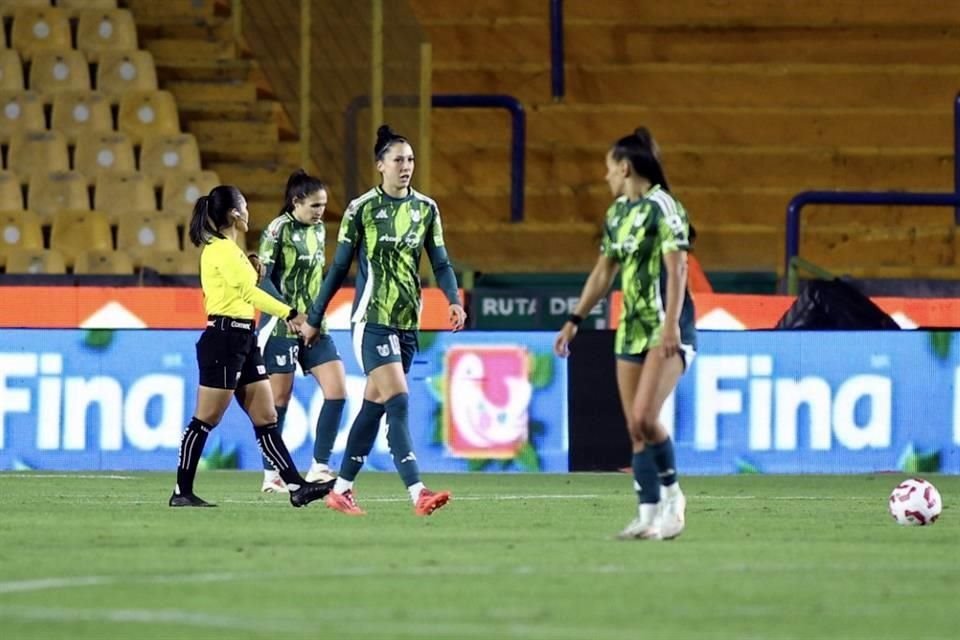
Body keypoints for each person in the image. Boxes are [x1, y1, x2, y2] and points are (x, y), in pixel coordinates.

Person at [300, 124, 467, 517]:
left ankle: (341, 489)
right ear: (380, 166)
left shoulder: (426, 209)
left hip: (409, 323)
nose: (405, 166)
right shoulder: (361, 210)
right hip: (372, 320)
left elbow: (440, 261)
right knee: (399, 399)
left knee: (373, 408)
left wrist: (454, 301)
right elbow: (339, 267)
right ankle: (418, 491)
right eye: (398, 160)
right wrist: (313, 318)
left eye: (410, 160)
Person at [554, 128, 697, 540]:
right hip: (630, 328)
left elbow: (678, 269)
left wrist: (670, 324)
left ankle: (673, 498)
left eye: (608, 169)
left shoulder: (664, 207)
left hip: (667, 326)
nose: (605, 177)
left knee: (644, 416)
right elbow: (604, 271)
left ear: (625, 167)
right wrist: (575, 319)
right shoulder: (618, 213)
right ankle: (648, 514)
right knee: (633, 428)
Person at [169, 184, 334, 508]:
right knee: (205, 419)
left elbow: (244, 286)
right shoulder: (220, 250)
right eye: (244, 205)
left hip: (244, 338)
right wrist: (290, 313)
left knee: (266, 416)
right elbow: (249, 294)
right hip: (224, 338)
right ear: (234, 213)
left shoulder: (231, 251)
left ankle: (296, 486)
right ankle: (181, 491)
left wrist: (253, 267)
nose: (248, 211)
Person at [254, 170, 347, 493]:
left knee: (337, 391)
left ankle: (320, 466)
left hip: (315, 325)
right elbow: (261, 278)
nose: (321, 211)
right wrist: (289, 313)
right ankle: (272, 474)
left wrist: (315, 317)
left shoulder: (319, 230)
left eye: (323, 205)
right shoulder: (277, 230)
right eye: (315, 205)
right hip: (281, 324)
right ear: (296, 202)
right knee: (279, 399)